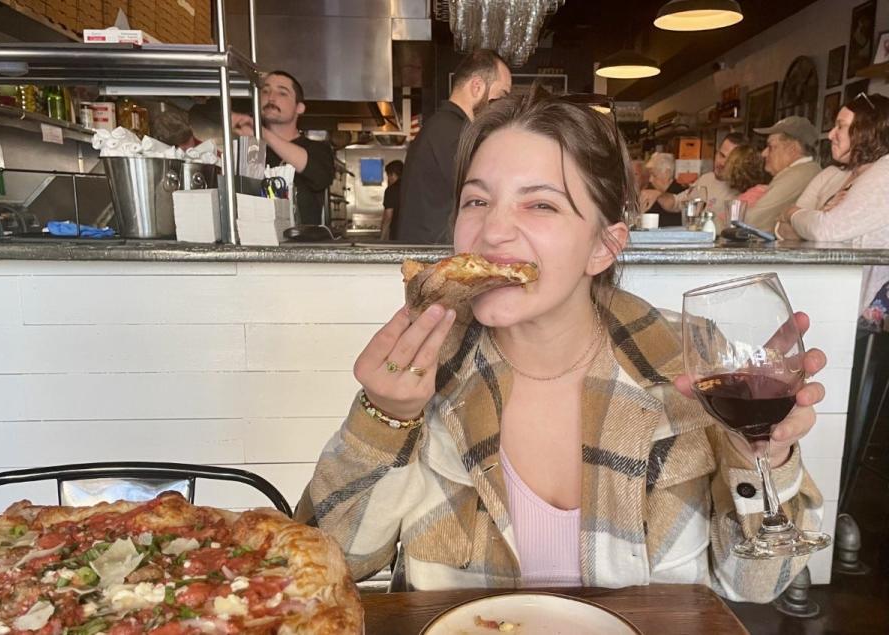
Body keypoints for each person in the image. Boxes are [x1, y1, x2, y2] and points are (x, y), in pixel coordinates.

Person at [295, 86, 828, 600]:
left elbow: (757, 584)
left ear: (603, 247)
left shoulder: (689, 361)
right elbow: (332, 563)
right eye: (476, 200)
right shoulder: (426, 367)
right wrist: (384, 418)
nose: (493, 232)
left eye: (541, 206)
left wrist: (765, 456)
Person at [776, 93, 889, 329]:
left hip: (854, 308)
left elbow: (823, 229)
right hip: (830, 292)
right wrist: (805, 222)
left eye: (841, 127)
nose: (830, 135)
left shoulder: (885, 172)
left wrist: (792, 213)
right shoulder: (853, 174)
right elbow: (787, 229)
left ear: (867, 131)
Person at [396, 50, 512, 244]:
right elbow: (490, 192)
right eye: (501, 95)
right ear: (476, 87)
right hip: (433, 256)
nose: (501, 106)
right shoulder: (453, 132)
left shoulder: (441, 127)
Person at [232, 70, 335, 226]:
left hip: (302, 248)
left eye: (282, 93)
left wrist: (261, 133)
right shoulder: (248, 149)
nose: (271, 97)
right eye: (265, 91)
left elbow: (320, 176)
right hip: (255, 244)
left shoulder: (318, 150)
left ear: (299, 108)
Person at [743, 116, 821, 232]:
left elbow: (751, 222)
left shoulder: (797, 175)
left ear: (792, 149)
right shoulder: (806, 171)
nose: (764, 154)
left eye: (770, 147)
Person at [647, 133, 745, 220]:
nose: (722, 163)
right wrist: (658, 195)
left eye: (730, 160)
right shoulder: (706, 179)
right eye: (722, 155)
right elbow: (677, 203)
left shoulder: (743, 187)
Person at [639, 152, 685, 226]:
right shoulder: (650, 191)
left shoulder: (680, 194)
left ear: (667, 173)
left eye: (654, 175)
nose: (650, 180)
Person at [380, 160, 404, 241]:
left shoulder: (391, 190)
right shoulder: (411, 187)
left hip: (398, 234)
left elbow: (388, 217)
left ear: (393, 174)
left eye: (388, 176)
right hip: (415, 235)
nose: (388, 179)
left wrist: (382, 238)